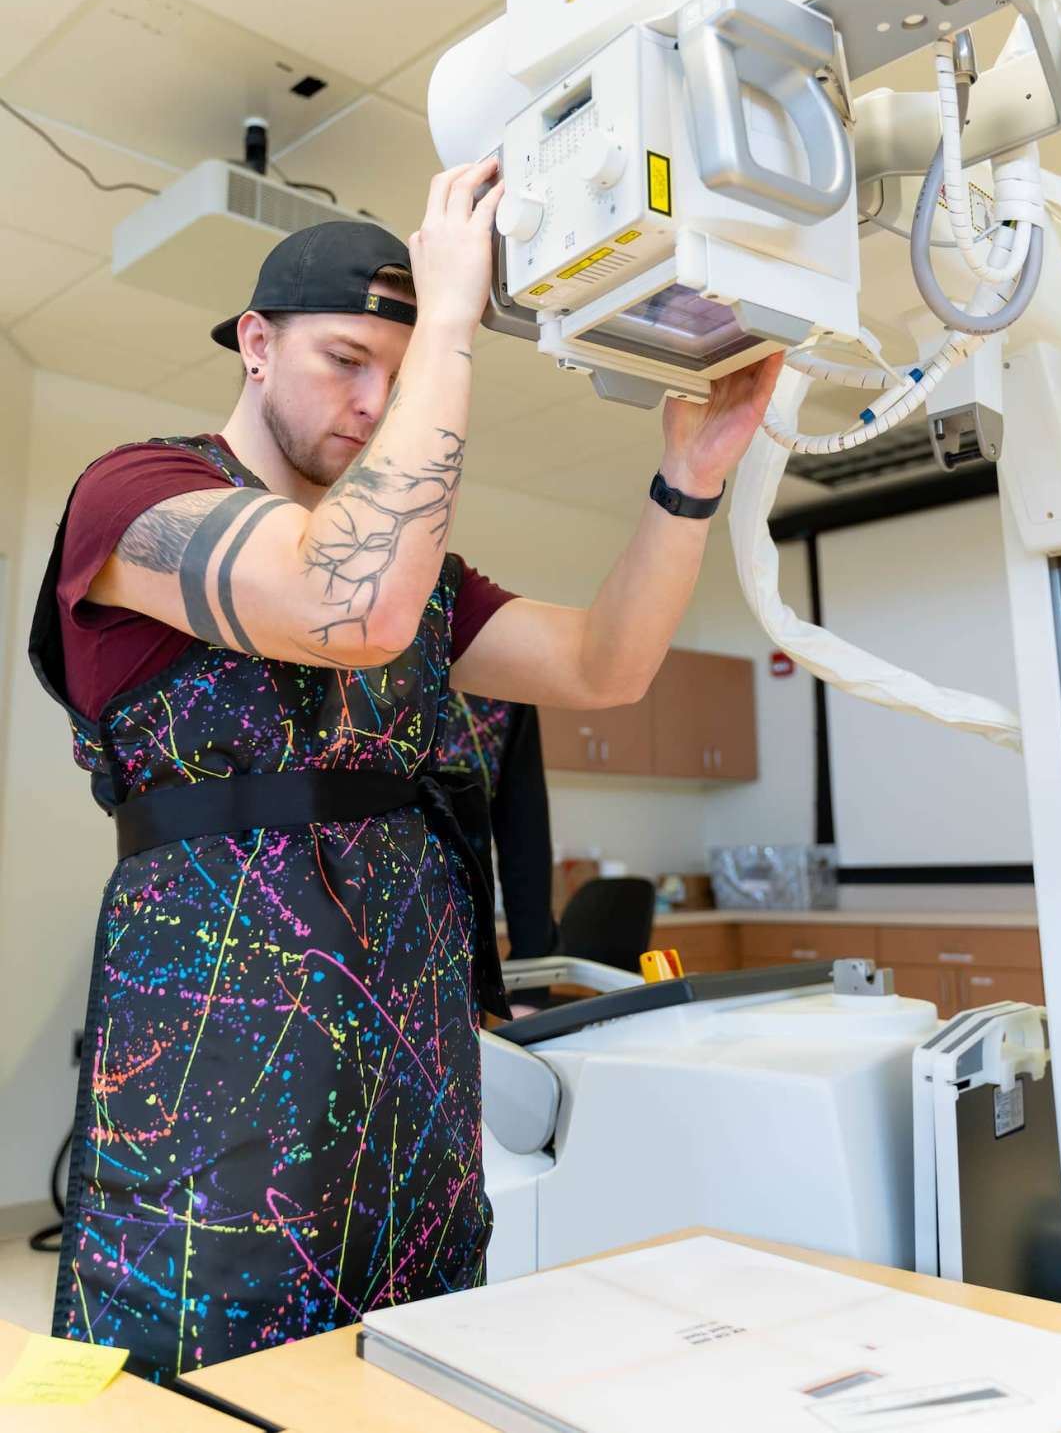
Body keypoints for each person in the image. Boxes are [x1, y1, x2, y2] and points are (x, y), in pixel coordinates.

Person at [29, 156, 782, 1379]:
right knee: (214, 1362)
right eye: (345, 362)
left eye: (399, 366)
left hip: (415, 1055)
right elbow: (349, 606)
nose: (376, 401)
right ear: (256, 345)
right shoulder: (137, 495)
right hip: (229, 1059)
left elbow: (602, 665)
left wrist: (687, 478)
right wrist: (442, 322)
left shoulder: (420, 576)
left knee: (418, 1357)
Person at [436, 691, 557, 963]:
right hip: (335, 939)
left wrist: (531, 982)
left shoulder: (503, 683)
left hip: (455, 952)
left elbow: (525, 838)